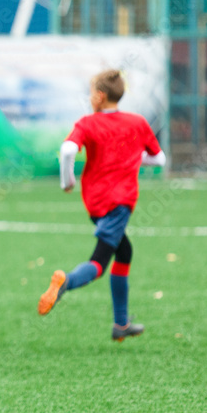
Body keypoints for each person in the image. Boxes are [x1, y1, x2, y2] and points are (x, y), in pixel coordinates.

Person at [38, 69, 166, 341]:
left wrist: (67, 181)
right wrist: (133, 158)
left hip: (95, 203)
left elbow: (68, 150)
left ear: (100, 96)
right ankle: (65, 283)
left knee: (124, 251)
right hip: (119, 202)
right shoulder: (137, 122)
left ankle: (121, 324)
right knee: (99, 262)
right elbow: (160, 159)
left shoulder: (87, 123)